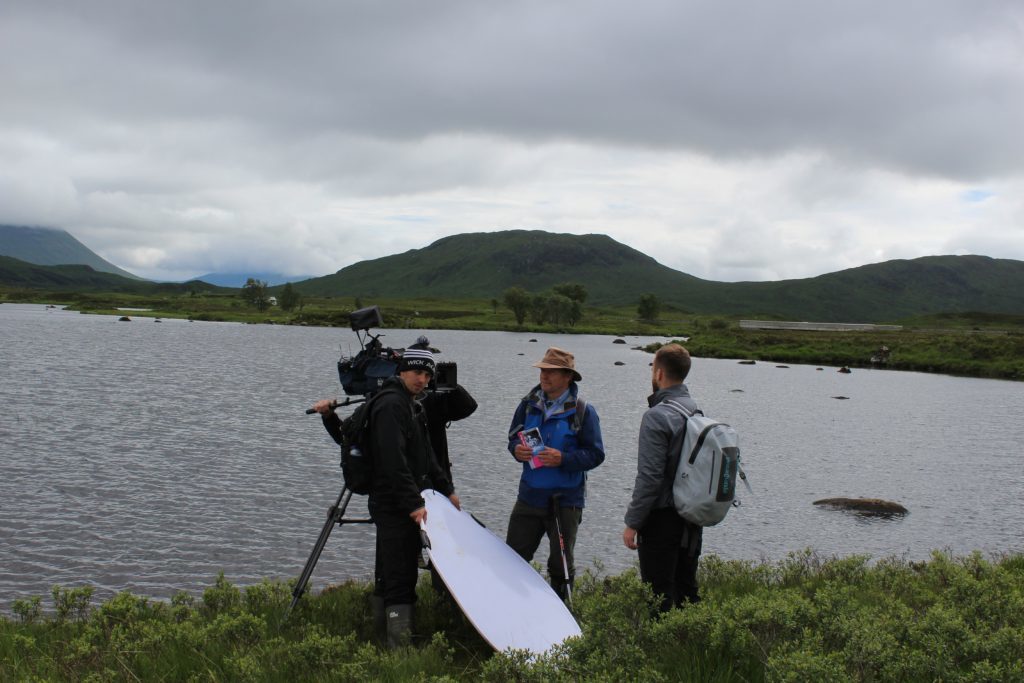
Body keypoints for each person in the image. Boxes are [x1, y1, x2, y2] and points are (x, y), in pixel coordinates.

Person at [311, 346, 458, 648]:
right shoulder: (391, 405)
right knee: (400, 573)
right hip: (393, 504)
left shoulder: (409, 403)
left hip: (401, 502)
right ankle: (399, 649)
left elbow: (424, 454)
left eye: (428, 374)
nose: (423, 379)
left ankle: (382, 637)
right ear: (402, 371)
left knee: (391, 569)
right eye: (417, 372)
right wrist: (413, 505)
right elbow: (392, 461)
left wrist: (447, 489)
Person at [505, 346, 604, 600]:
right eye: (542, 370)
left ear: (567, 376)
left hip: (565, 502)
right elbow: (512, 438)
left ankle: (563, 619)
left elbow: (595, 454)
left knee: (560, 567)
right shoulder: (527, 405)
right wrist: (517, 450)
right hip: (528, 498)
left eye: (551, 371)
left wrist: (564, 459)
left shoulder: (583, 412)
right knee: (511, 559)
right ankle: (511, 608)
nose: (544, 376)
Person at [622, 343, 703, 611]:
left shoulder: (657, 417)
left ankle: (663, 650)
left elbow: (650, 478)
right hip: (691, 518)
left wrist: (633, 522)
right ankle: (693, 649)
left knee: (659, 596)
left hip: (662, 519)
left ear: (658, 374)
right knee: (687, 591)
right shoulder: (695, 410)